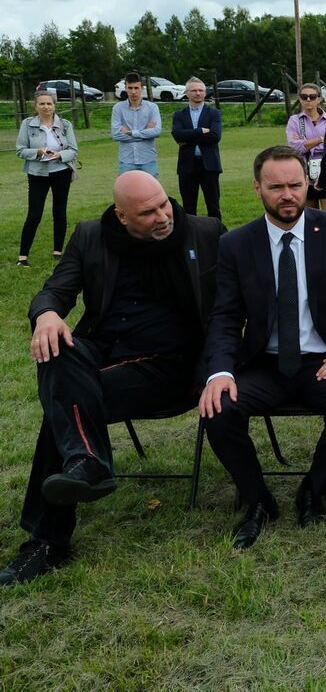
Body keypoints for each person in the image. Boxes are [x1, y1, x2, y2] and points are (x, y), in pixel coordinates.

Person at [0, 173, 223, 586]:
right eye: (147, 212)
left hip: (169, 366)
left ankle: (48, 540)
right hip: (103, 351)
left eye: (163, 205)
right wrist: (47, 314)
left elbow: (233, 305)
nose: (162, 216)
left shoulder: (205, 232)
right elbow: (55, 292)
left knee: (63, 406)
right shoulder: (90, 236)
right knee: (57, 350)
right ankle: (86, 462)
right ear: (122, 216)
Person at [199, 146, 326, 550]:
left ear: (308, 183)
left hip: (325, 360)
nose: (287, 194)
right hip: (263, 363)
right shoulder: (236, 244)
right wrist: (220, 371)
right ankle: (257, 500)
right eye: (276, 187)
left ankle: (312, 489)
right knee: (218, 410)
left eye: (295, 185)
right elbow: (226, 316)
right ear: (257, 188)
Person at [17, 90, 78, 267]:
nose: (46, 107)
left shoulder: (65, 124)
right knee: (34, 214)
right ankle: (23, 257)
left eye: (49, 103)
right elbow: (20, 150)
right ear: (36, 106)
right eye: (42, 103)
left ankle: (58, 251)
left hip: (61, 172)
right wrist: (38, 151)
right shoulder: (27, 125)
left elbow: (73, 150)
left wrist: (59, 155)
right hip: (38, 174)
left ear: (54, 105)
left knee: (60, 211)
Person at [170, 77, 223, 219]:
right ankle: (190, 238)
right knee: (188, 208)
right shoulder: (179, 115)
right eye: (194, 90)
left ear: (205, 93)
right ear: (187, 93)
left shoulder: (214, 113)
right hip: (187, 165)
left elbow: (215, 136)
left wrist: (188, 139)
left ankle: (218, 236)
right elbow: (177, 135)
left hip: (209, 165)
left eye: (201, 90)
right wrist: (200, 131)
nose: (198, 93)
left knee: (213, 206)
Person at [286, 82, 326, 208]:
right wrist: (321, 139)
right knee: (310, 213)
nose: (308, 100)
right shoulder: (295, 120)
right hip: (304, 169)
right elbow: (295, 147)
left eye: (312, 96)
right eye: (304, 97)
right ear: (300, 99)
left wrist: (306, 142)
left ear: (319, 99)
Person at [110, 72, 162, 176]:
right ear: (125, 88)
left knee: (150, 191)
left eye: (136, 88)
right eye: (130, 88)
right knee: (126, 192)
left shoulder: (152, 107)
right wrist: (145, 133)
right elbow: (115, 135)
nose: (133, 92)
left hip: (148, 160)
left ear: (142, 88)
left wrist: (130, 133)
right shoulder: (118, 108)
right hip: (126, 161)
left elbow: (156, 131)